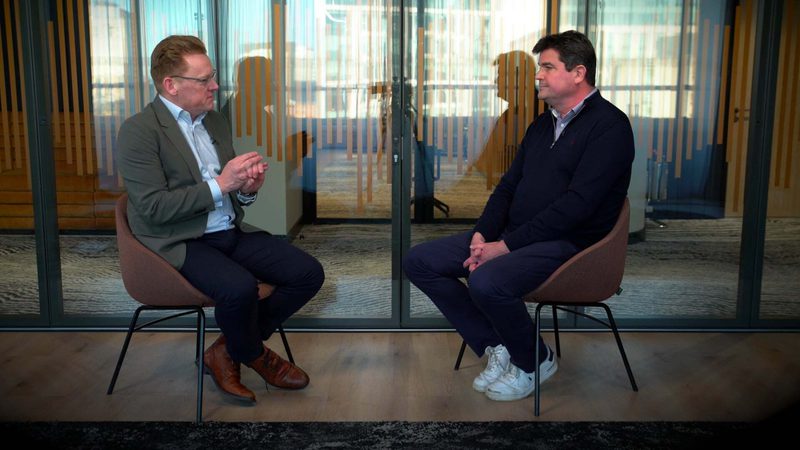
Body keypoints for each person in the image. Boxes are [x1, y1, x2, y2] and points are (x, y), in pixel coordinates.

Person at [403, 30, 634, 402]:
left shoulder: (610, 127)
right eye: (538, 67)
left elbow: (578, 206)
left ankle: (534, 360)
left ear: (578, 73)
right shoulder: (543, 123)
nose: (538, 75)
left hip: (571, 246)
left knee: (487, 281)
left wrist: (504, 247)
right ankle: (499, 345)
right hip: (519, 235)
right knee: (420, 261)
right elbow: (508, 187)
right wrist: (482, 236)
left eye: (547, 67)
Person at [117, 35, 325, 403]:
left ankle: (226, 349)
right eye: (204, 80)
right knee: (239, 288)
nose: (215, 85)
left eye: (213, 76)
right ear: (171, 85)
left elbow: (232, 192)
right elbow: (153, 209)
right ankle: (254, 355)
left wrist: (246, 187)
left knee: (307, 273)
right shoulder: (139, 132)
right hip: (181, 239)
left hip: (228, 229)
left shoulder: (215, 121)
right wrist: (221, 183)